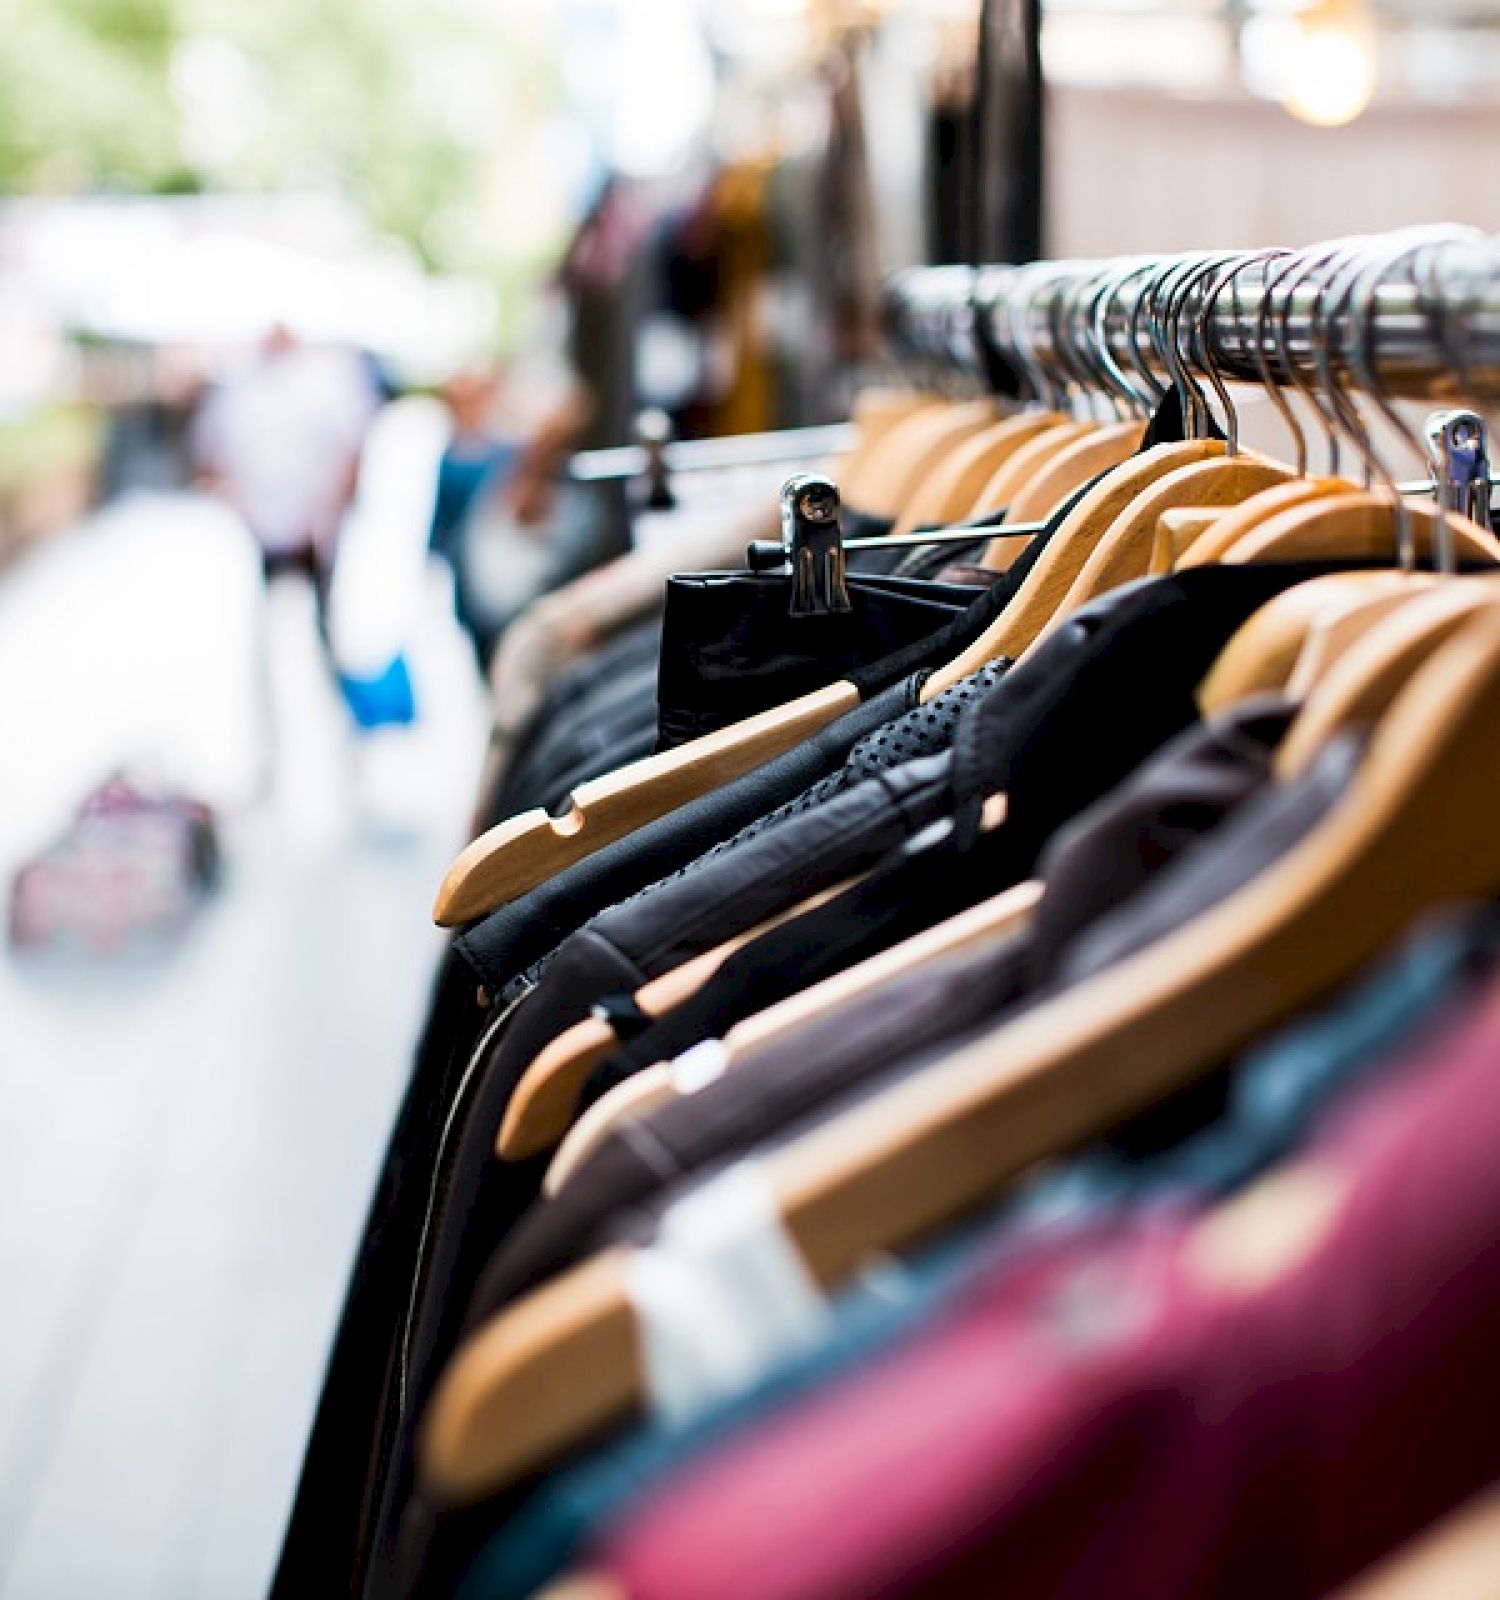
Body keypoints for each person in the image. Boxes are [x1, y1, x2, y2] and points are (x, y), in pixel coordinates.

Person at [191, 323, 381, 642]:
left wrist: (330, 512)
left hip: (314, 530)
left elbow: (353, 450)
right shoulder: (238, 384)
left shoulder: (327, 381)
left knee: (322, 624)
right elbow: (211, 455)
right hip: (258, 528)